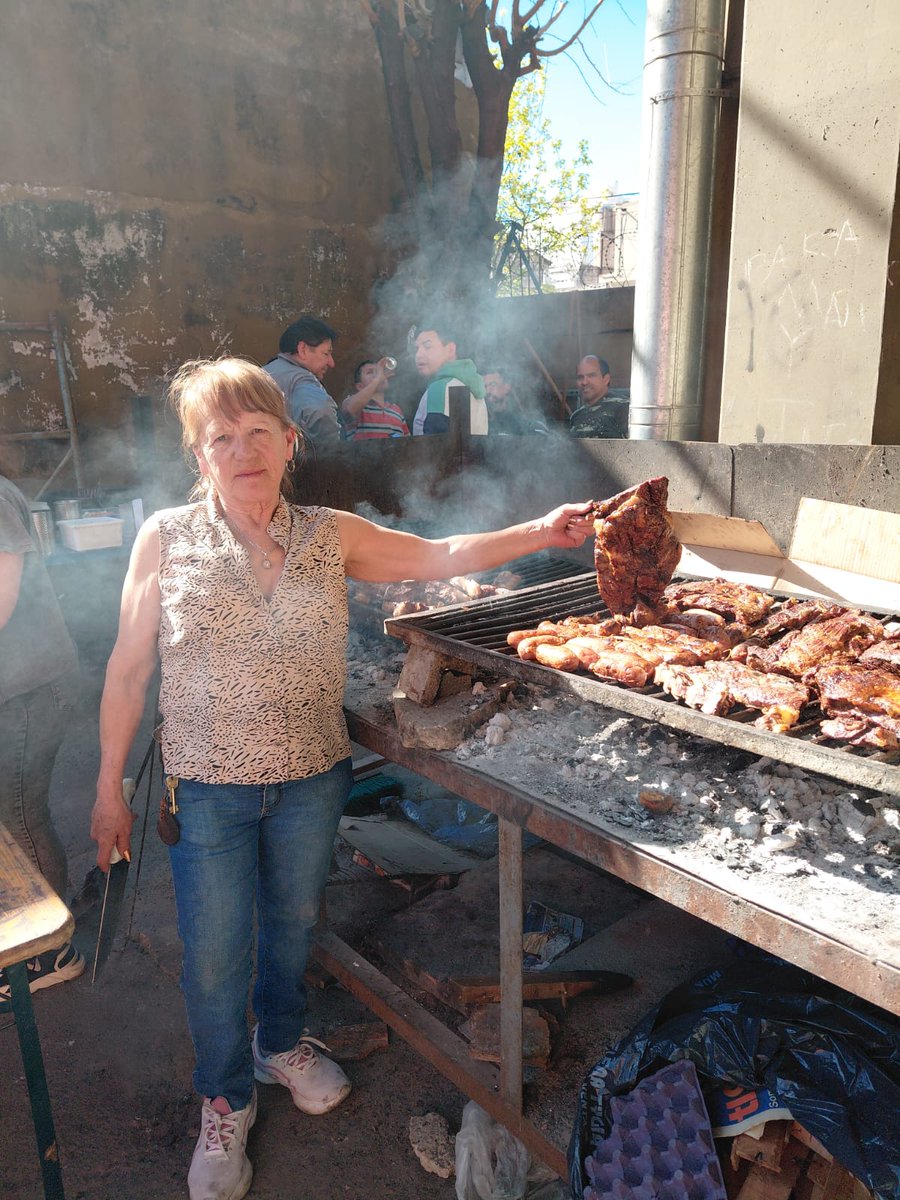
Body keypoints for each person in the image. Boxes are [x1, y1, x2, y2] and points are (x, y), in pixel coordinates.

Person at [89, 357, 593, 1200]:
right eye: (222, 437)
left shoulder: (331, 533)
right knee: (214, 957)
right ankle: (224, 1098)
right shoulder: (165, 539)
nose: (243, 450)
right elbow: (128, 671)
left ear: (291, 442)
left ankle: (278, 1042)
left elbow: (439, 554)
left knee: (292, 926)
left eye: (259, 432)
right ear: (199, 454)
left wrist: (541, 530)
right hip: (207, 787)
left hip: (313, 779)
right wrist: (109, 785)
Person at [0, 468, 81, 1013]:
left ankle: (51, 952)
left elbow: (2, 591)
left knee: (19, 817)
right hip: (16, 689)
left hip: (28, 690)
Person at [263, 315, 341, 449]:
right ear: (303, 349)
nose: (331, 363)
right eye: (326, 354)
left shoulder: (262, 372)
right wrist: (330, 452)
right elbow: (321, 411)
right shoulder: (301, 379)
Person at [412, 321, 488, 436]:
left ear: (450, 349)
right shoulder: (471, 385)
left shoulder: (440, 388)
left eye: (427, 346)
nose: (418, 354)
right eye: (416, 349)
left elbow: (433, 444)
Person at [340, 357, 410, 440]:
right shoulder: (355, 404)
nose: (378, 374)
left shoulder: (397, 410)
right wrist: (377, 379)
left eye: (379, 371)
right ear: (360, 386)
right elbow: (349, 410)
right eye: (370, 372)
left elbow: (408, 443)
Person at [569, 355, 631, 438]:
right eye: (580, 377)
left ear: (606, 379)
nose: (584, 382)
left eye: (591, 376)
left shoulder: (624, 409)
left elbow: (638, 447)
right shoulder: (577, 416)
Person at [482, 367, 548, 436]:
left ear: (507, 387)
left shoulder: (530, 427)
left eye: (493, 384)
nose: (487, 391)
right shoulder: (476, 426)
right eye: (484, 386)